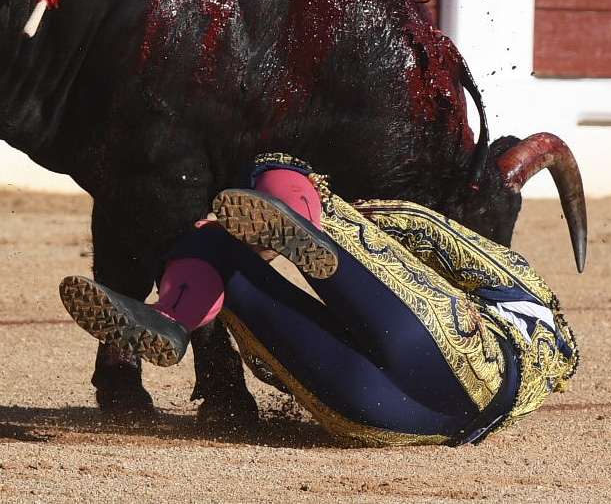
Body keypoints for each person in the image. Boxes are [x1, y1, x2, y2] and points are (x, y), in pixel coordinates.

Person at [60, 154, 579, 446]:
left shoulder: (522, 279)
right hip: (393, 419)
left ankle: (176, 313)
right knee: (241, 242)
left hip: (441, 353)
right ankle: (282, 227)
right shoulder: (541, 329)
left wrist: (348, 208)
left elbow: (416, 226)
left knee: (253, 200)